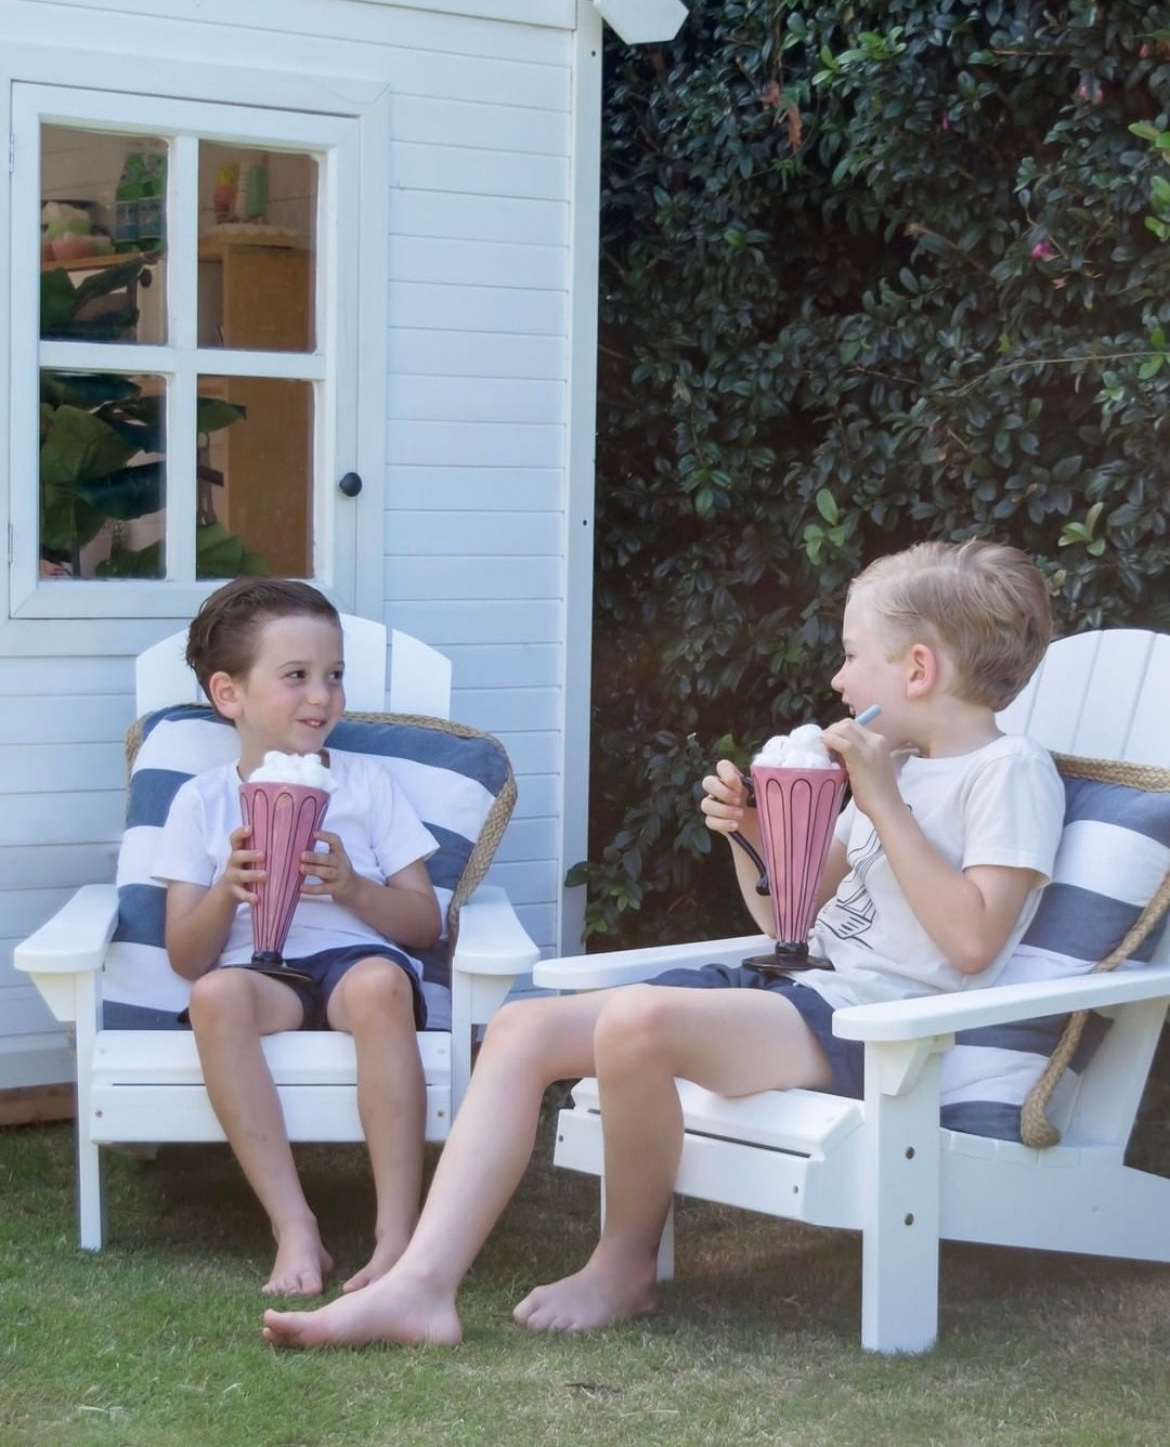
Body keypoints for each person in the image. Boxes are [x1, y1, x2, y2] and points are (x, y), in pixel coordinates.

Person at [262, 538, 1064, 1348]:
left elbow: (971, 939)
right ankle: (419, 1287)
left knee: (637, 1021)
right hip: (802, 990)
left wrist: (882, 800)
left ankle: (625, 1261)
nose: (839, 680)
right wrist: (752, 830)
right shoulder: (895, 764)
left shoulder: (1007, 771)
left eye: (853, 656)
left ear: (917, 669)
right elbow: (787, 915)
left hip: (884, 1028)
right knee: (521, 1025)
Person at [156, 578, 441, 1297]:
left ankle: (398, 1233)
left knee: (381, 985)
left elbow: (425, 924)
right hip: (262, 972)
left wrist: (352, 888)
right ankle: (295, 1227)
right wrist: (227, 887)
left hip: (355, 964)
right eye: (296, 677)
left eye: (334, 675)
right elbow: (186, 956)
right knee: (216, 994)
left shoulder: (366, 786)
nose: (322, 695)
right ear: (229, 695)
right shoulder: (202, 801)